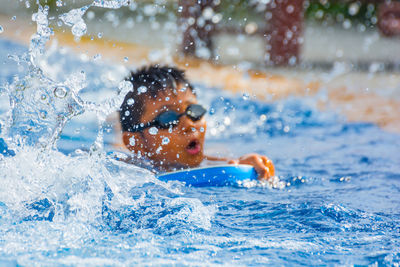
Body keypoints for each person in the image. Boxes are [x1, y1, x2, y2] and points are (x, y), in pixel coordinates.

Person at [118, 65, 275, 180]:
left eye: (194, 111)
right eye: (168, 118)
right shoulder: (126, 175)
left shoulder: (213, 164)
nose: (189, 125)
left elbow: (232, 162)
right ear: (135, 142)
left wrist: (247, 165)